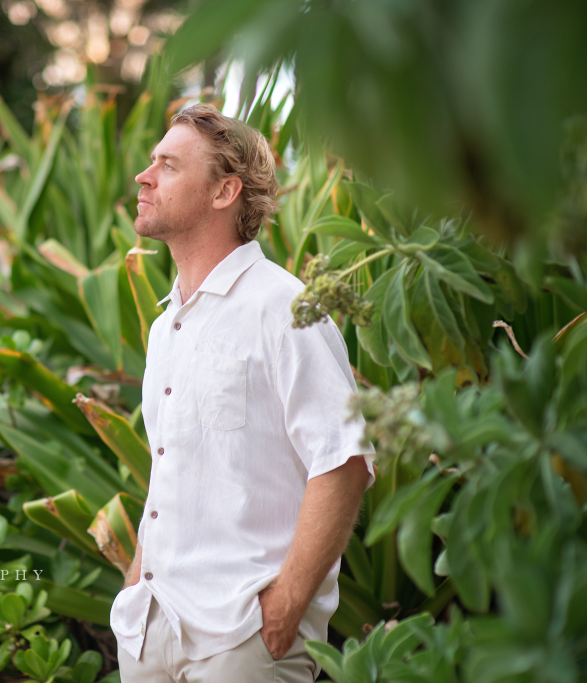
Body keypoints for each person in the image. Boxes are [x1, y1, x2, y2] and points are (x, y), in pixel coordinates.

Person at [110, 103, 375, 682]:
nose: (143, 176)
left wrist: (284, 610)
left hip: (244, 640)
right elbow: (172, 468)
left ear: (224, 191)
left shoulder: (284, 309)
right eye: (151, 161)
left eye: (169, 165)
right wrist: (139, 576)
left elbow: (344, 460)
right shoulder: (164, 327)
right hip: (151, 632)